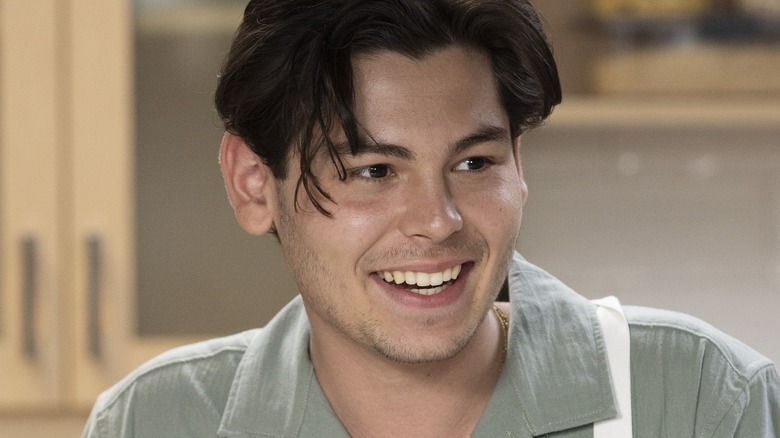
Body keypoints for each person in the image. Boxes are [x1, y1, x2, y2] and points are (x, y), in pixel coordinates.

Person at [82, 0, 780, 436]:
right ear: (253, 183)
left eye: (474, 164)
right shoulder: (155, 421)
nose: (437, 221)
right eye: (373, 171)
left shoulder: (702, 404)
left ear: (518, 163)